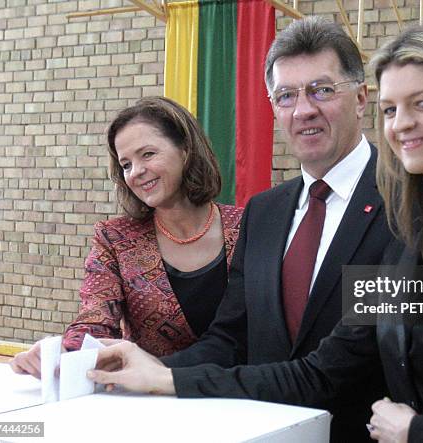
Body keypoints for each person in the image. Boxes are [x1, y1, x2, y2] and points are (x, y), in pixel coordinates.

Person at [89, 21, 423, 442]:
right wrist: (161, 374)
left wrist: (421, 432)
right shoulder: (415, 235)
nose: (401, 125)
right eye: (393, 109)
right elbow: (321, 369)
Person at [100, 16, 393, 442]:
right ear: (273, 108)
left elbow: (341, 368)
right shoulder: (265, 212)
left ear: (362, 98)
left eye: (322, 90)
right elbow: (231, 337)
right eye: (286, 96)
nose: (304, 109)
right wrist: (153, 367)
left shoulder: (408, 203)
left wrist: (173, 382)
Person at [10, 97, 243, 377]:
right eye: (126, 164)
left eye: (147, 154)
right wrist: (64, 350)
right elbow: (95, 317)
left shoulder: (248, 225)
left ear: (185, 150)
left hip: (248, 398)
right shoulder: (116, 239)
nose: (136, 172)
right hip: (152, 401)